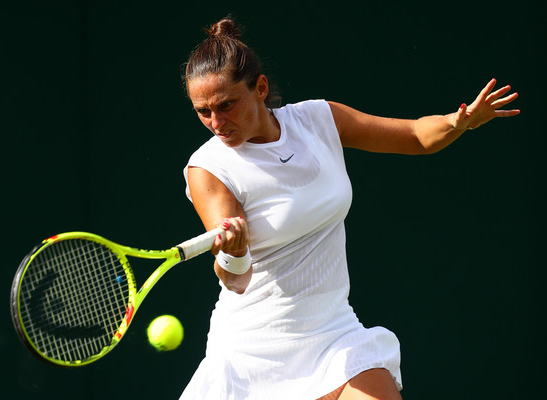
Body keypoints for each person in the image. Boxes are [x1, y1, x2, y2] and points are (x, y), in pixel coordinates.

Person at [179, 17, 519, 400]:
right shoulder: (209, 168)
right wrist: (235, 252)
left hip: (333, 333)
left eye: (226, 105)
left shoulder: (317, 119)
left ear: (260, 88)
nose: (215, 123)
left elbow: (413, 136)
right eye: (202, 111)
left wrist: (459, 122)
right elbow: (235, 280)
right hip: (252, 353)